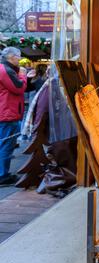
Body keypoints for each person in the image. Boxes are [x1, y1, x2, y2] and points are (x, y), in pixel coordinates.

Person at [0, 47, 29, 185]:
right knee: (6, 146)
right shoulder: (5, 70)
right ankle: (2, 176)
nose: (19, 59)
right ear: (11, 56)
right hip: (7, 114)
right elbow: (18, 88)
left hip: (7, 113)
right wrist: (23, 75)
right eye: (18, 56)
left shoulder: (6, 69)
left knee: (5, 144)